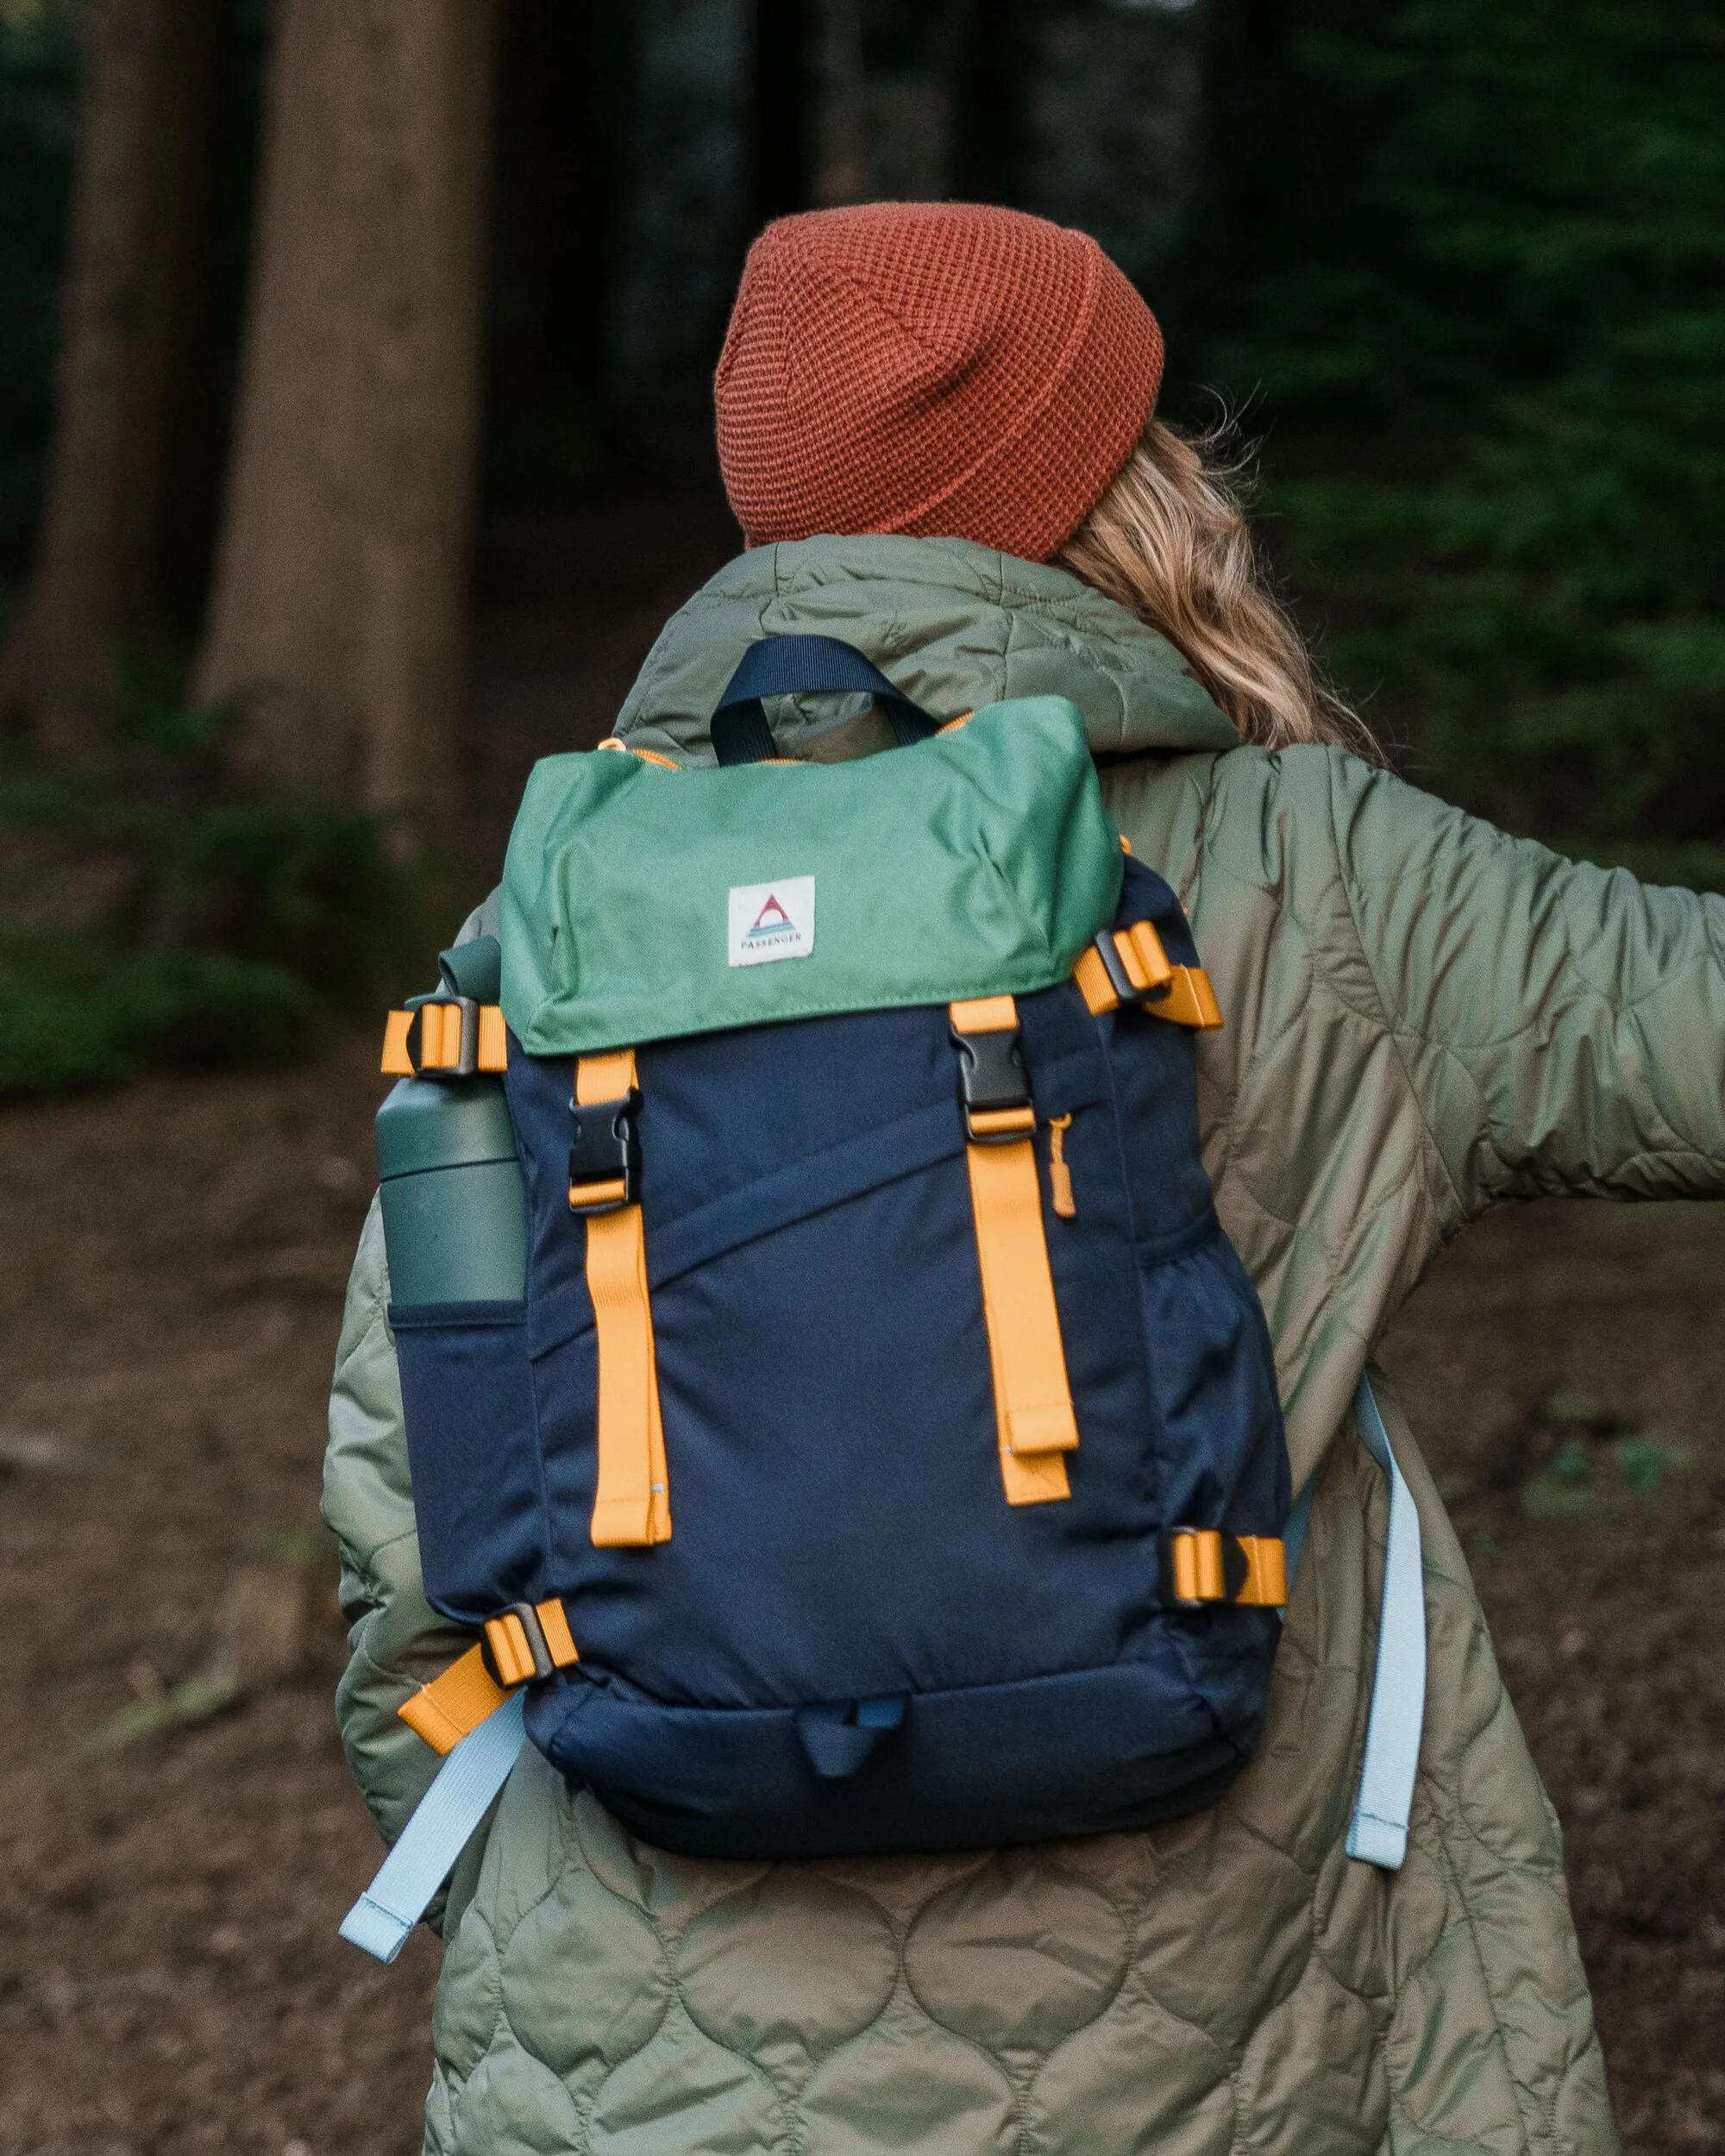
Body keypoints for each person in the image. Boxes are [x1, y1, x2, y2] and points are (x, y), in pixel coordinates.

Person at [324, 200, 1714, 2154]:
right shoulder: (1317, 870)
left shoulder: (551, 920)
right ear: (1118, 480)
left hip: (635, 2041)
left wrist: (562, 1919)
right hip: (1228, 2027)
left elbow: (410, 1534)